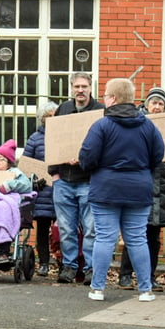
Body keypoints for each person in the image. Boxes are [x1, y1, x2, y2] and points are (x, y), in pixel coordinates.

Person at [79, 78, 164, 302]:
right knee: (137, 238)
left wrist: (95, 168)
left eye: (106, 95)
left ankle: (97, 288)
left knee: (105, 238)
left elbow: (87, 157)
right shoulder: (147, 125)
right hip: (139, 188)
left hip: (106, 188)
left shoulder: (102, 125)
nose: (104, 99)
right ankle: (145, 289)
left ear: (113, 99)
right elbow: (159, 155)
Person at [47, 72, 104, 284]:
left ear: (91, 87)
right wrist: (54, 172)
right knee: (66, 228)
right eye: (77, 86)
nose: (80, 90)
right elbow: (53, 139)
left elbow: (103, 145)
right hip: (64, 178)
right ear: (71, 88)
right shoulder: (63, 109)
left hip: (89, 179)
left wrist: (86, 161)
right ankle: (69, 267)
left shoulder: (99, 111)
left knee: (91, 228)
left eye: (84, 86)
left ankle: (90, 269)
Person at [118, 87, 165, 292]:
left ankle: (149, 276)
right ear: (147, 104)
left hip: (160, 189)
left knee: (154, 236)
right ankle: (125, 274)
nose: (157, 107)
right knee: (134, 232)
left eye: (161, 104)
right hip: (140, 184)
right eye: (154, 103)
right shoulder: (137, 124)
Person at [22, 101, 58, 276]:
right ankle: (44, 263)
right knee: (42, 230)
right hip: (43, 192)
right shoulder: (35, 139)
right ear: (41, 119)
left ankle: (63, 263)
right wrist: (34, 182)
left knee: (63, 231)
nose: (51, 119)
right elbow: (26, 166)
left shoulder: (62, 136)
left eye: (54, 116)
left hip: (60, 189)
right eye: (47, 117)